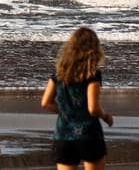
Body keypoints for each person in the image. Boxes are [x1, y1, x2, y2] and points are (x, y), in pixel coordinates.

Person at [41, 26, 114, 169]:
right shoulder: (92, 74)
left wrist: (65, 111)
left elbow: (45, 103)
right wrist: (106, 116)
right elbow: (93, 108)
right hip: (89, 135)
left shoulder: (59, 73)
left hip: (63, 133)